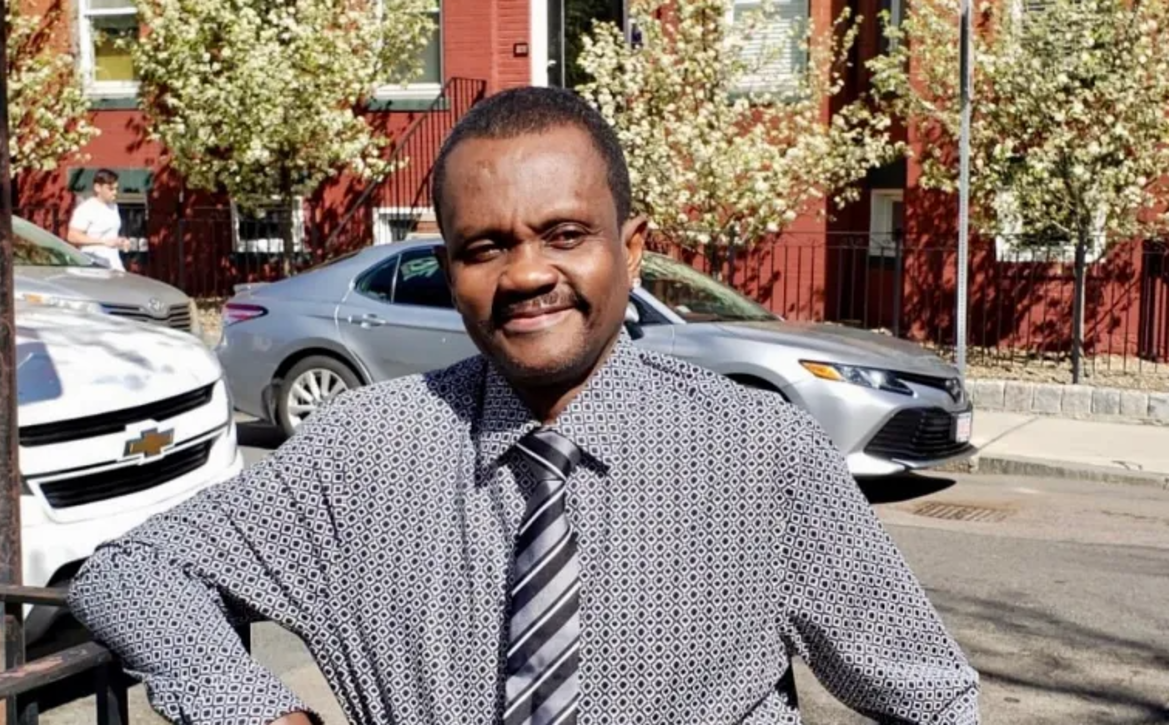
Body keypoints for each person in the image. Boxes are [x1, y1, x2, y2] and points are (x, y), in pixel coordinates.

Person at [68, 87, 979, 725]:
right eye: (485, 246)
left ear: (631, 247)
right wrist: (263, 713)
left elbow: (929, 696)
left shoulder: (757, 451)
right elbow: (131, 574)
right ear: (449, 268)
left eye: (566, 234)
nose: (528, 274)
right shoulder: (363, 452)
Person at [66, 168, 130, 270]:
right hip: (93, 265)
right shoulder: (87, 208)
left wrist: (121, 242)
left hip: (114, 264)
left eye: (116, 189)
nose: (115, 192)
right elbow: (72, 236)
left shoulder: (114, 207)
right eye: (110, 189)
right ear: (97, 188)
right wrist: (103, 242)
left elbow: (110, 236)